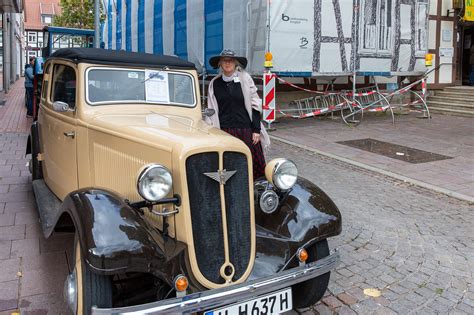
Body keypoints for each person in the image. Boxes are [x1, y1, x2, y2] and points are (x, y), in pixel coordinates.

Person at [205, 49, 270, 179]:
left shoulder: (245, 79)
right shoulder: (214, 84)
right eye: (224, 61)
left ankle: (255, 192)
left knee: (250, 164)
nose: (227, 63)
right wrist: (211, 132)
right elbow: (211, 110)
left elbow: (255, 105)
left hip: (245, 130)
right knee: (228, 165)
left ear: (235, 63)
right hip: (224, 131)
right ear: (220, 64)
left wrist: (256, 130)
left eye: (230, 61)